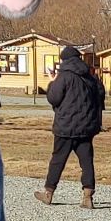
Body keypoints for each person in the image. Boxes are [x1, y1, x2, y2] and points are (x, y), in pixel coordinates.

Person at [36, 45, 104, 208]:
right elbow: (100, 96)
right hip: (86, 127)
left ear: (63, 60)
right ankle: (88, 196)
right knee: (86, 161)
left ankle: (48, 193)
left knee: (58, 160)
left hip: (65, 126)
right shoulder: (90, 77)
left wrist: (51, 82)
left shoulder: (64, 76)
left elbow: (53, 98)